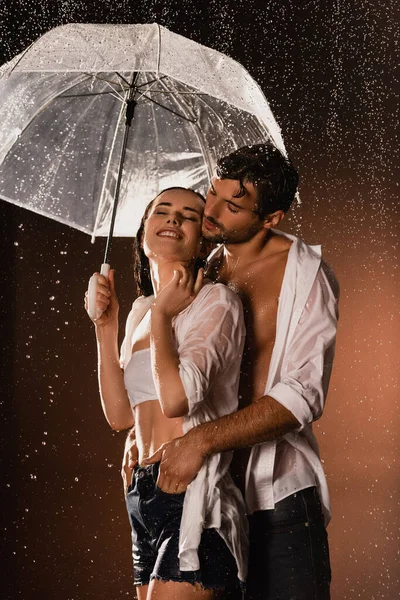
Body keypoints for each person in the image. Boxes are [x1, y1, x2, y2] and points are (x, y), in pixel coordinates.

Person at [135, 144, 339, 600]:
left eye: (232, 206)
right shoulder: (205, 269)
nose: (210, 212)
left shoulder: (306, 274)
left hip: (276, 498)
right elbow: (185, 375)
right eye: (212, 193)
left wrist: (200, 440)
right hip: (205, 495)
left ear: (271, 219)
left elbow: (303, 396)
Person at [86, 187, 248, 600]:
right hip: (142, 494)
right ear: (143, 232)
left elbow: (177, 400)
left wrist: (163, 315)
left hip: (194, 495)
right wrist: (105, 326)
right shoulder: (140, 312)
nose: (173, 219)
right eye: (163, 210)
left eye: (189, 215)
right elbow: (120, 415)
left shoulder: (216, 302)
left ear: (202, 239)